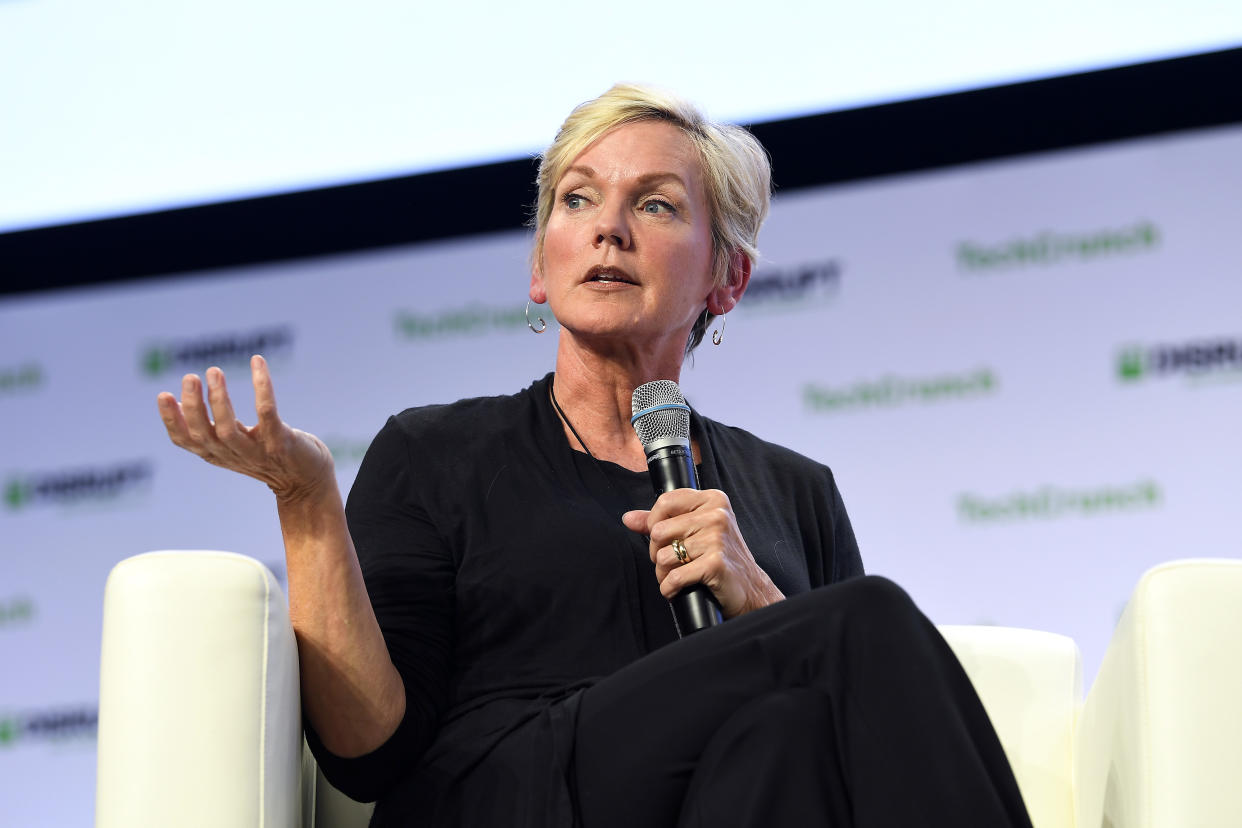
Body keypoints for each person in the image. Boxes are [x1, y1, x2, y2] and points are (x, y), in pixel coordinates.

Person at [157, 84, 1032, 827]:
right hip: (506, 793)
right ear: (543, 266)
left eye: (654, 204)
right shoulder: (436, 450)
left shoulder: (796, 491)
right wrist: (307, 501)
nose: (608, 227)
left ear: (726, 279)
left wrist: (756, 596)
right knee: (866, 619)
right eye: (577, 200)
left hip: (717, 799)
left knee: (787, 739)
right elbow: (367, 756)